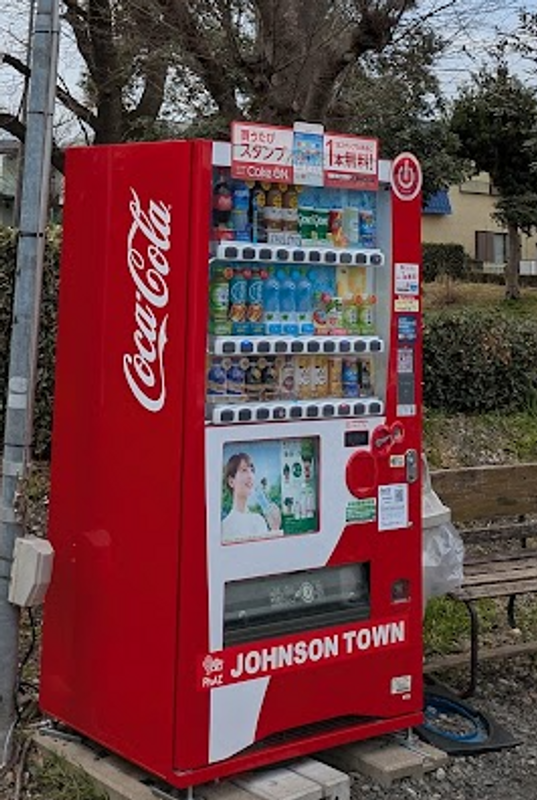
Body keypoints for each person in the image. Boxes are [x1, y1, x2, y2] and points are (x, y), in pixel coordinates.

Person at [222, 452, 281, 543]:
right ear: (231, 481)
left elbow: (269, 554)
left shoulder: (259, 520)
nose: (250, 476)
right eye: (244, 470)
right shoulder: (225, 526)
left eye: (252, 471)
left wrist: (275, 528)